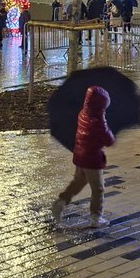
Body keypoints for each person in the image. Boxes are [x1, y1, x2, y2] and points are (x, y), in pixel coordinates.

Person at [50, 85, 115, 228]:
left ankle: (60, 203)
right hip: (92, 159)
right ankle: (96, 217)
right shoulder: (98, 121)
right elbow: (108, 140)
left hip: (80, 155)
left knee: (78, 182)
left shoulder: (83, 113)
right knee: (98, 189)